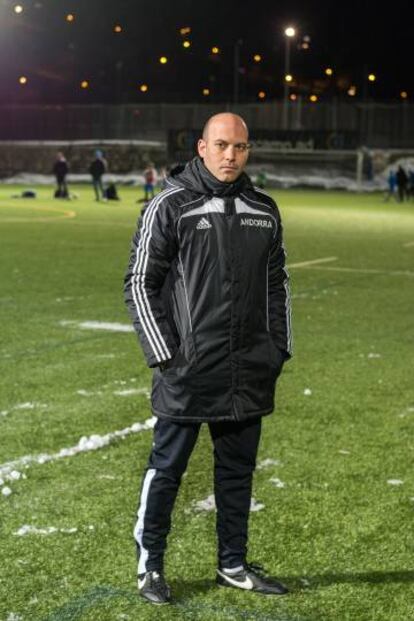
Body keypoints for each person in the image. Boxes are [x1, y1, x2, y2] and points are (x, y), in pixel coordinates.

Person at [124, 112, 292, 605]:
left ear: (248, 151)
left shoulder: (264, 209)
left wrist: (276, 348)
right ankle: (149, 566)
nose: (230, 156)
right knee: (167, 469)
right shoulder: (170, 206)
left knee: (237, 473)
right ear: (201, 147)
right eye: (220, 145)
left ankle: (233, 564)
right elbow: (139, 283)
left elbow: (277, 283)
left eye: (239, 147)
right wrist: (166, 355)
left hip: (248, 371)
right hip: (189, 370)